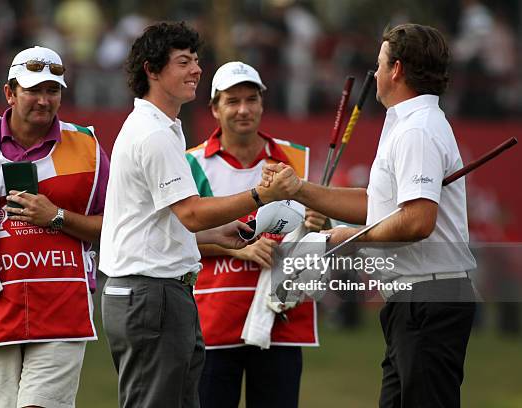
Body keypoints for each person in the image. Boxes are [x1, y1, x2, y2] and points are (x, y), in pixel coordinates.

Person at [263, 24, 477, 408]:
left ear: (396, 70)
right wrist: (299, 188)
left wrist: (348, 238)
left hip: (426, 299)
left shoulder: (418, 131)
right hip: (414, 300)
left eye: (379, 64)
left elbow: (416, 221)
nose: (375, 73)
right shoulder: (407, 125)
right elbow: (376, 205)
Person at [99, 22, 293, 408]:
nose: (196, 70)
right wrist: (260, 195)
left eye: (197, 60)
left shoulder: (160, 128)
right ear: (152, 70)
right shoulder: (153, 133)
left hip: (154, 293)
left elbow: (159, 223)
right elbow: (189, 212)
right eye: (184, 61)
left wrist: (210, 236)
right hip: (151, 295)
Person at [0, 45, 110, 408]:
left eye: (53, 90)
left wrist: (56, 216)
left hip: (63, 305)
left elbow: (116, 226)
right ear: (10, 93)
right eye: (34, 90)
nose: (44, 100)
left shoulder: (87, 146)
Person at [185, 61, 325, 408]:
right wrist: (238, 250)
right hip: (214, 318)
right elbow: (177, 239)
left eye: (251, 99)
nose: (243, 109)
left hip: (283, 316)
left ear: (263, 103)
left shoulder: (295, 157)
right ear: (215, 109)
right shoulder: (191, 163)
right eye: (232, 101)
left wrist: (322, 221)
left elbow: (316, 240)